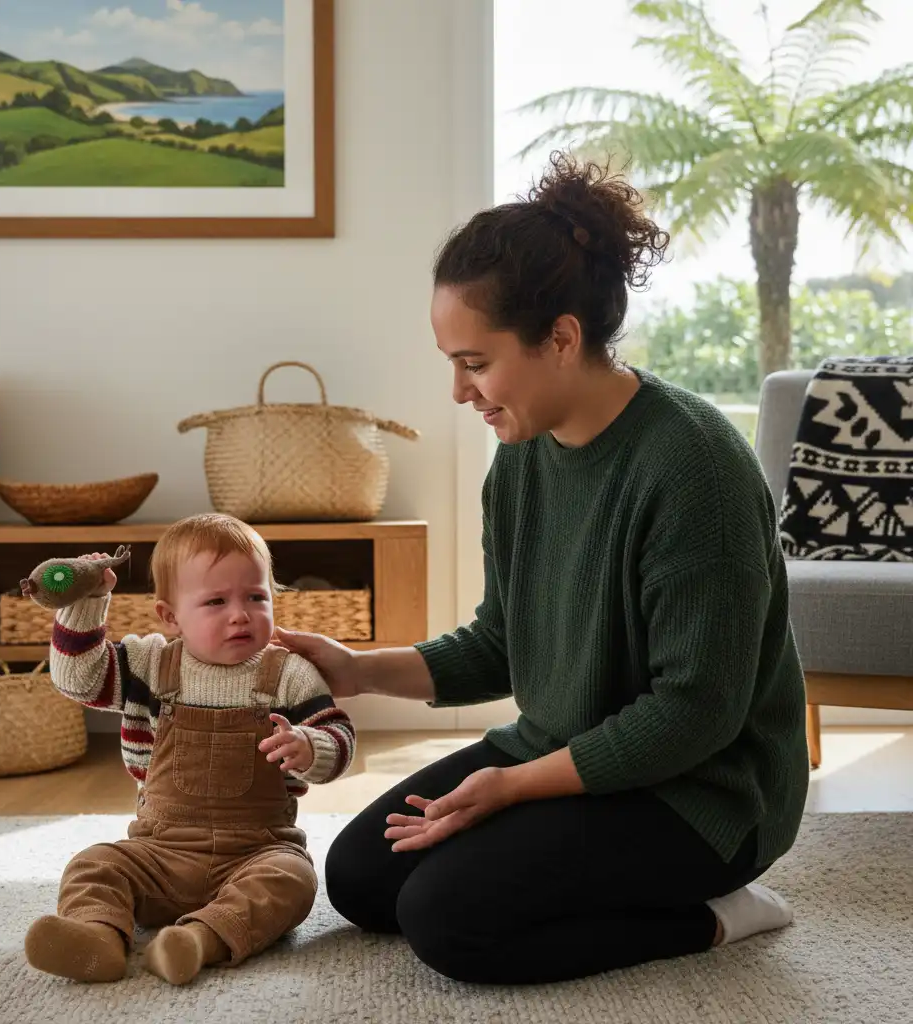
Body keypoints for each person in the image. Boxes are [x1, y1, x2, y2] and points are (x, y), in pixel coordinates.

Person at [273, 154, 809, 985]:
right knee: (362, 880)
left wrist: (515, 787)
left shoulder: (693, 467)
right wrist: (359, 670)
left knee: (447, 920)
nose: (459, 392)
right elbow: (502, 641)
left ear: (560, 338)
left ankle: (716, 915)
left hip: (702, 795)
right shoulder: (522, 456)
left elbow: (696, 714)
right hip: (563, 751)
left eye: (475, 362)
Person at [24, 513, 356, 985]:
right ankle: (98, 937)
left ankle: (198, 940)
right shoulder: (149, 663)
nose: (240, 614)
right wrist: (86, 602)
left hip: (256, 852)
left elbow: (339, 735)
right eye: (217, 601)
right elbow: (78, 680)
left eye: (256, 597)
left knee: (293, 881)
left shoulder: (290, 674)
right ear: (170, 616)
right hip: (158, 852)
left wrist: (311, 746)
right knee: (93, 864)